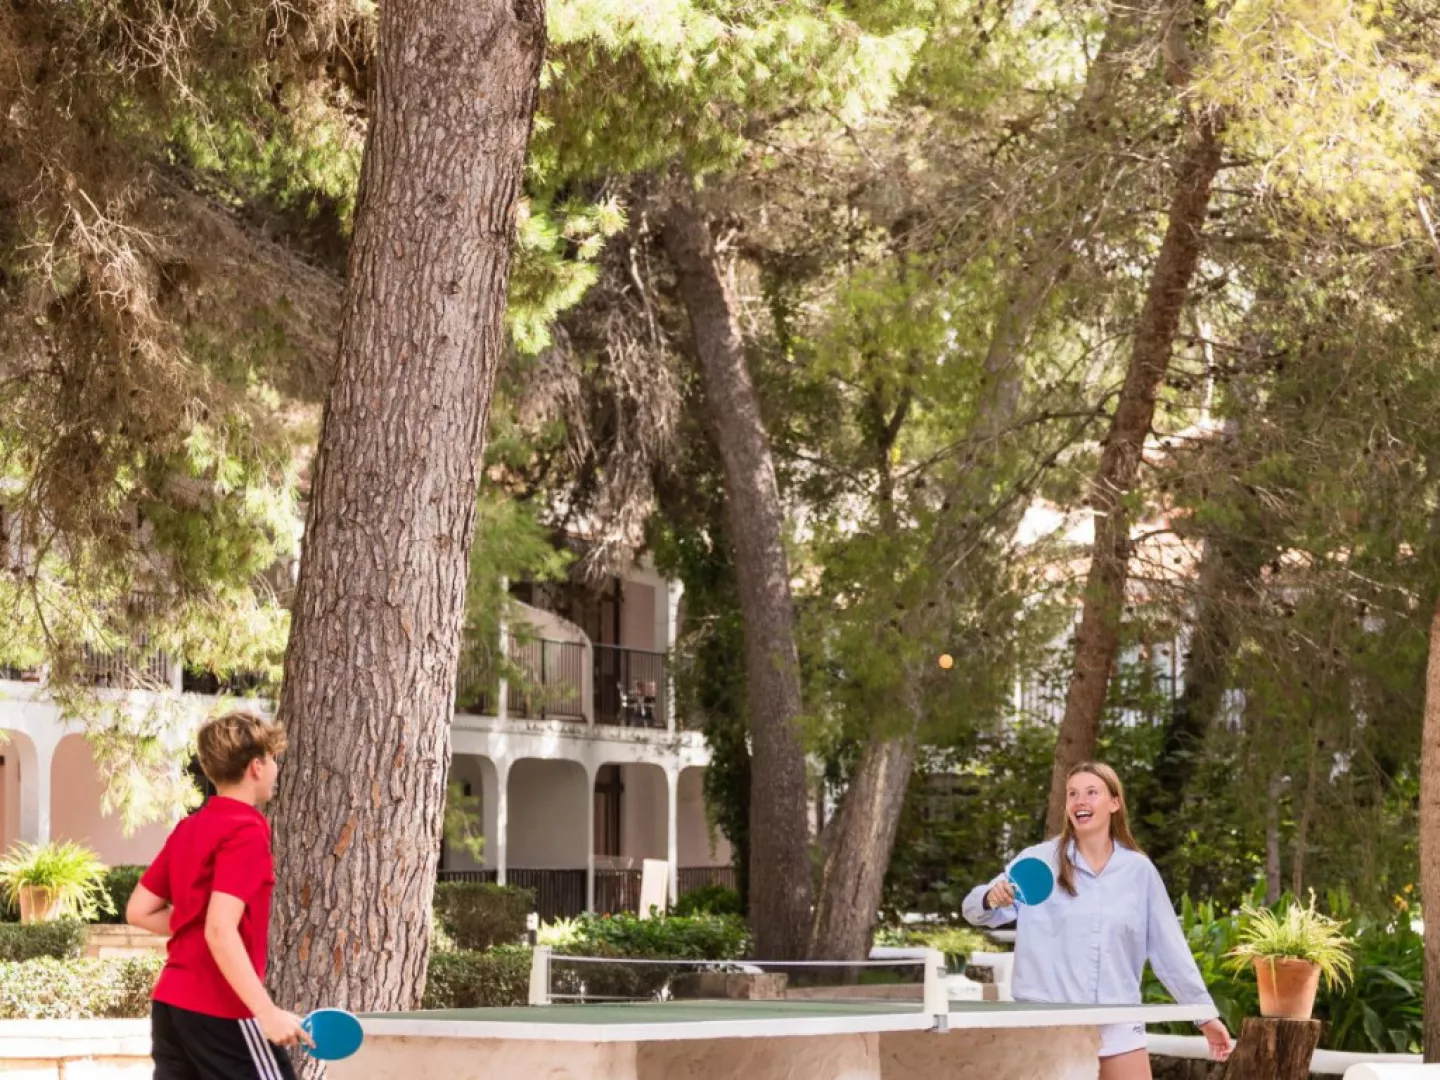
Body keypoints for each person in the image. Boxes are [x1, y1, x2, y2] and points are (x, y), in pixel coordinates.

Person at [962, 762, 1234, 1080]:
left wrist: (1204, 1015)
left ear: (1114, 803)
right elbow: (973, 910)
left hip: (1118, 1021)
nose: (1080, 801)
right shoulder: (1039, 861)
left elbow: (1168, 948)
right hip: (1048, 1022)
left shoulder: (1139, 871)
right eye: (1073, 794)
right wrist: (990, 898)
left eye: (1092, 792)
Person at [126, 710, 312, 1079]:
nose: (276, 769)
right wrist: (267, 1013)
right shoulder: (247, 831)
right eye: (273, 759)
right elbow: (219, 929)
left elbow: (139, 911)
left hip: (171, 1006)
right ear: (256, 767)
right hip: (221, 1007)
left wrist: (195, 924)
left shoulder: (190, 827)